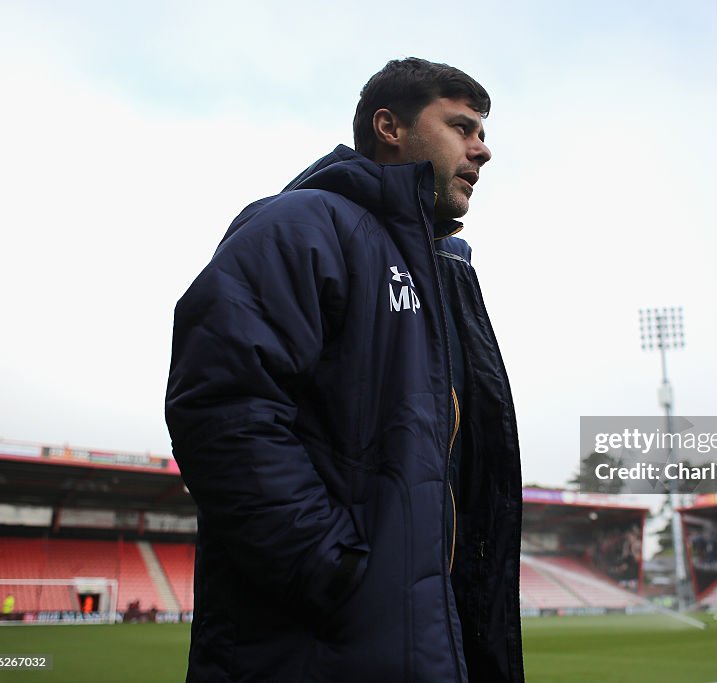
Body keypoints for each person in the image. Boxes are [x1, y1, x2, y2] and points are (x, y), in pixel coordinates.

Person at [165, 57, 524, 683]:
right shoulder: (299, 226)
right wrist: (331, 567)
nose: (483, 150)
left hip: (422, 640)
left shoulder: (445, 273)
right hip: (316, 644)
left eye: (482, 132)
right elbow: (223, 405)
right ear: (390, 126)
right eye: (462, 127)